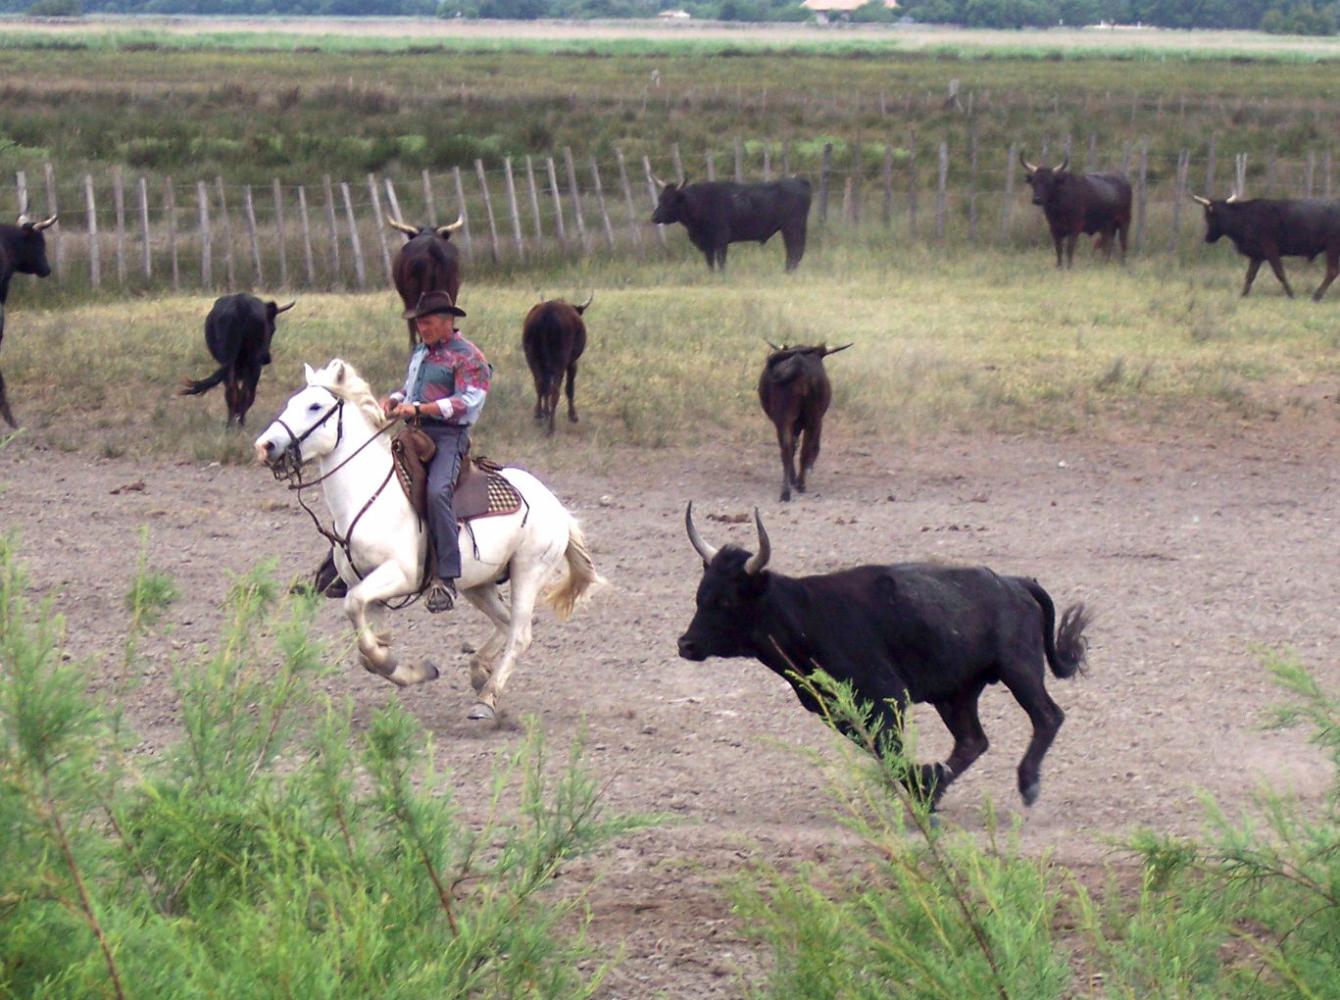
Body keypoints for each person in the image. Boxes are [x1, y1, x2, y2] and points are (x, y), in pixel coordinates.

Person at [381, 290, 491, 613]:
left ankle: (446, 576)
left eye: (427, 323)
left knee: (437, 491)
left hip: (448, 436)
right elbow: (409, 387)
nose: (422, 329)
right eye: (419, 324)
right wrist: (395, 399)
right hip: (415, 430)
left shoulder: (469, 357)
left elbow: (469, 401)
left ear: (447, 322)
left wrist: (420, 407)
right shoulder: (420, 352)